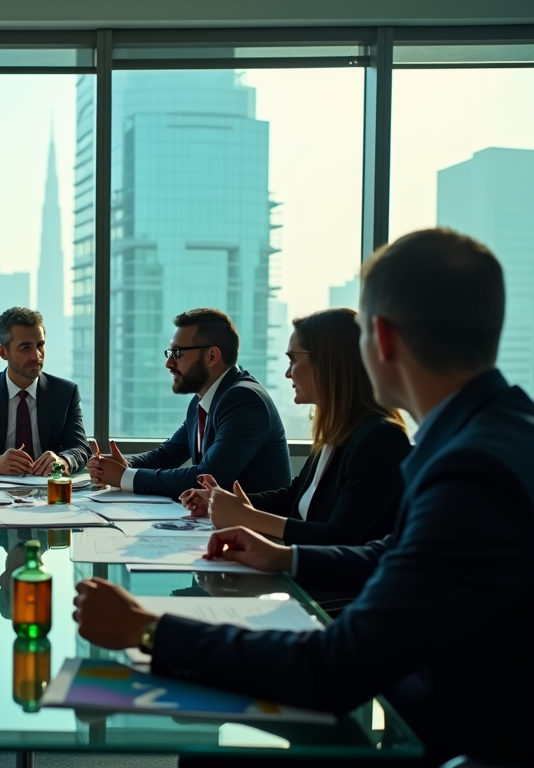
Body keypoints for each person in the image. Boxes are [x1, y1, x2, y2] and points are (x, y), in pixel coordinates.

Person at [73, 229, 534, 765]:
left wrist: (149, 628)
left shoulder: (470, 470)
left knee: (203, 752)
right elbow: (398, 553)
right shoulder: (497, 434)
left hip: (451, 738)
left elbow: (334, 668)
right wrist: (283, 555)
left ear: (380, 340)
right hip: (438, 705)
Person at [181, 307, 411, 546]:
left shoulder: (381, 440)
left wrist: (249, 517)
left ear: (328, 363)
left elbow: (340, 537)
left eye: (293, 359)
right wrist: (222, 502)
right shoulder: (337, 434)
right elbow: (294, 497)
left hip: (331, 583)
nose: (288, 373)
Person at [87, 308, 291, 497]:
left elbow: (207, 476)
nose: (169, 363)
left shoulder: (244, 400)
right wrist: (122, 465)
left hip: (254, 530)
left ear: (212, 356)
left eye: (178, 353)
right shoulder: (202, 400)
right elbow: (169, 454)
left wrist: (124, 476)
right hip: (216, 522)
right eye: (170, 353)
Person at [0, 307, 90, 476]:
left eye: (40, 345)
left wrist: (63, 461)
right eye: (25, 348)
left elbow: (80, 448)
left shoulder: (66, 393)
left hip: (48, 491)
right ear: (3, 352)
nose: (36, 356)